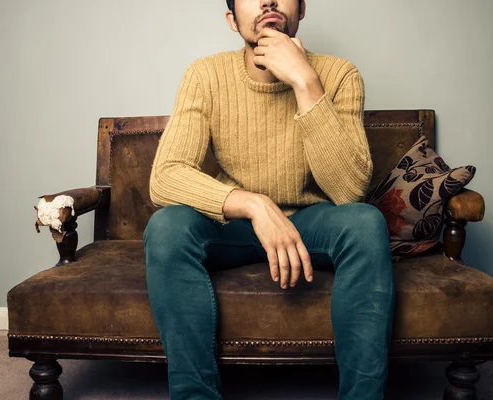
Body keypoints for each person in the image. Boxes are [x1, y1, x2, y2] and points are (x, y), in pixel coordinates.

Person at [143, 0, 396, 398]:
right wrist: (256, 206)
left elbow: (348, 192)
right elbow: (166, 176)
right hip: (235, 227)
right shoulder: (205, 75)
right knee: (167, 227)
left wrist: (305, 82)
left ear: (301, 9)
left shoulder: (339, 74)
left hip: (313, 225)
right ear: (232, 20)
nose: (267, 1)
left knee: (365, 222)